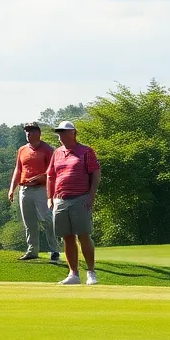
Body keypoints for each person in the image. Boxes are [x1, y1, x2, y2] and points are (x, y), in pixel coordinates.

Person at [46, 121, 101, 285]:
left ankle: (91, 272)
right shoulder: (57, 153)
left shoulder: (86, 151)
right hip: (60, 199)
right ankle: (73, 274)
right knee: (67, 237)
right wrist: (50, 198)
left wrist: (91, 195)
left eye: (63, 132)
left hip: (81, 198)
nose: (60, 135)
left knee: (83, 235)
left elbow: (96, 174)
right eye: (59, 132)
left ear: (73, 133)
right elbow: (50, 176)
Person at [8, 121, 58, 262]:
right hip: (24, 190)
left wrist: (41, 178)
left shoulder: (47, 149)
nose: (28, 133)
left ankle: (54, 250)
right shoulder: (22, 150)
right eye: (27, 131)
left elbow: (52, 172)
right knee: (29, 223)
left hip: (41, 189)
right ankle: (32, 251)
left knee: (47, 219)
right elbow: (18, 170)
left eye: (32, 130)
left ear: (39, 133)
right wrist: (12, 188)